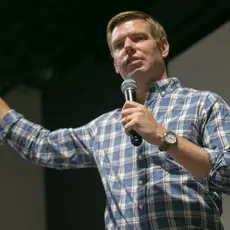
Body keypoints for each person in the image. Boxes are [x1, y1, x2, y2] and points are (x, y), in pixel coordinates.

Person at [0, 10, 230, 230]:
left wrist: (162, 135)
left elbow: (227, 174)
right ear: (115, 64)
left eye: (138, 38)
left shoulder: (202, 104)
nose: (128, 47)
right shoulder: (103, 128)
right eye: (118, 45)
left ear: (163, 47)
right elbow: (41, 146)